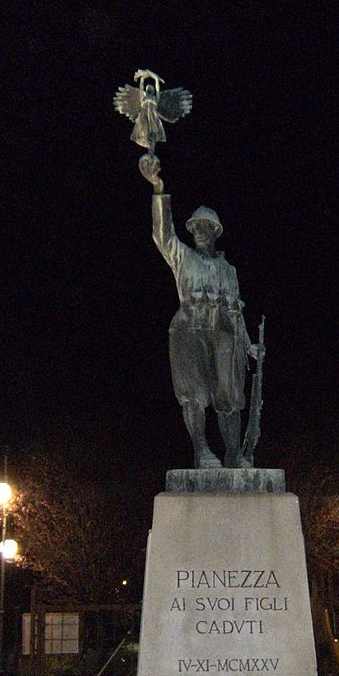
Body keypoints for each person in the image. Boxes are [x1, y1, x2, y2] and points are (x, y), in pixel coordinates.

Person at [140, 152, 263, 468]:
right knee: (192, 393)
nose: (197, 231)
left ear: (214, 230)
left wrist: (248, 343)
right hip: (188, 325)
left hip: (223, 329)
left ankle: (234, 454)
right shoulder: (183, 258)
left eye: (204, 227)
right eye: (194, 227)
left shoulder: (229, 270)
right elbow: (162, 236)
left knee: (230, 397)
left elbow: (236, 311)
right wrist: (158, 189)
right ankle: (202, 451)